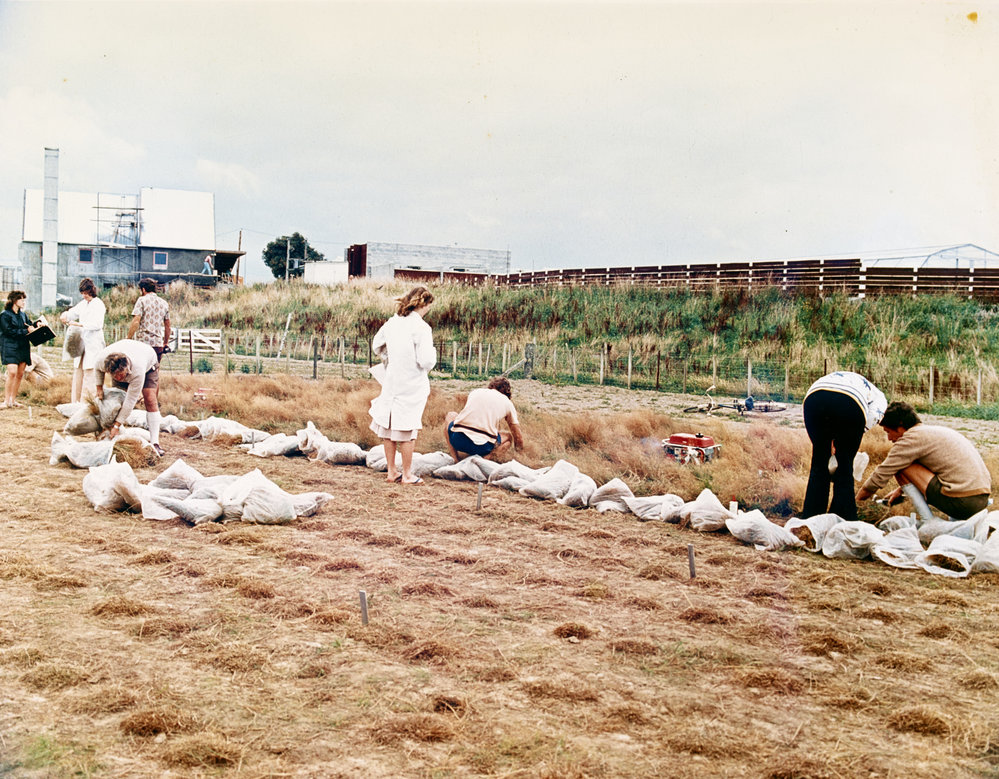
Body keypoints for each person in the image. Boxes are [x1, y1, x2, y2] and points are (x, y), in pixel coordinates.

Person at [857, 401, 991, 521]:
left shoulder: (909, 439)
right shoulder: (928, 433)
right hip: (981, 500)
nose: (889, 438)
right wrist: (901, 490)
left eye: (888, 432)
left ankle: (929, 521)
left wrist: (856, 501)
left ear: (901, 426)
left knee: (901, 466)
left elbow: (880, 475)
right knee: (904, 461)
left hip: (963, 503)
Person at [368, 286, 436, 485]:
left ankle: (392, 471)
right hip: (412, 383)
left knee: (388, 426)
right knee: (407, 429)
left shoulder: (392, 323)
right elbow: (426, 361)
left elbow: (376, 345)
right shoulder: (422, 328)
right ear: (424, 304)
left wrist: (389, 358)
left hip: (392, 380)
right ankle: (407, 474)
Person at [801, 370, 887, 521]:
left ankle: (811, 519)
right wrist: (844, 444)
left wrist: (832, 440)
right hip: (849, 403)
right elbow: (869, 419)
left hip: (814, 399)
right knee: (844, 466)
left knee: (819, 462)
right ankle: (844, 520)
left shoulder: (853, 381)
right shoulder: (881, 399)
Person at [95, 339, 165, 456]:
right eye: (115, 377)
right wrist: (99, 389)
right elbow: (97, 369)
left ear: (126, 369)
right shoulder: (102, 359)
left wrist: (116, 425)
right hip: (126, 352)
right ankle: (115, 439)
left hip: (148, 361)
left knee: (150, 398)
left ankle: (155, 443)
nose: (119, 379)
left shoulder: (138, 370)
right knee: (116, 402)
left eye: (121, 376)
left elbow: (130, 401)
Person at [445, 376, 524, 462]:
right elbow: (518, 436)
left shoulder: (475, 392)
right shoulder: (507, 403)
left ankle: (455, 459)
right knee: (508, 437)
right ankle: (482, 461)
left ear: (491, 386)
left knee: (451, 415)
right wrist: (520, 455)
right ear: (507, 393)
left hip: (457, 439)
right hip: (483, 447)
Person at [59, 277, 107, 403]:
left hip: (93, 343)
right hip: (81, 343)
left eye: (86, 293)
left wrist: (79, 325)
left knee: (90, 374)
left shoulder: (99, 304)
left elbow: (97, 324)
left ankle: (89, 404)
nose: (84, 296)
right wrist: (65, 316)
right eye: (82, 294)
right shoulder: (83, 304)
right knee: (78, 373)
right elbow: (72, 312)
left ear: (92, 291)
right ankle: (75, 403)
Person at [0, 290, 39, 408]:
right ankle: (6, 401)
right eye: (21, 299)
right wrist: (25, 331)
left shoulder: (23, 315)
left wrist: (38, 325)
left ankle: (13, 400)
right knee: (12, 372)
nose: (23, 302)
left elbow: (29, 325)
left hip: (23, 346)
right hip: (10, 346)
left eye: (24, 300)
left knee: (20, 374)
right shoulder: (4, 315)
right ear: (14, 300)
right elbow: (8, 331)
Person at [128, 278, 171, 363]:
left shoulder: (141, 300)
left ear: (143, 289)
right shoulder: (164, 303)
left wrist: (128, 337)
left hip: (143, 343)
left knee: (141, 371)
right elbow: (168, 326)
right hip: (157, 344)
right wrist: (165, 343)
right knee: (154, 373)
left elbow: (136, 321)